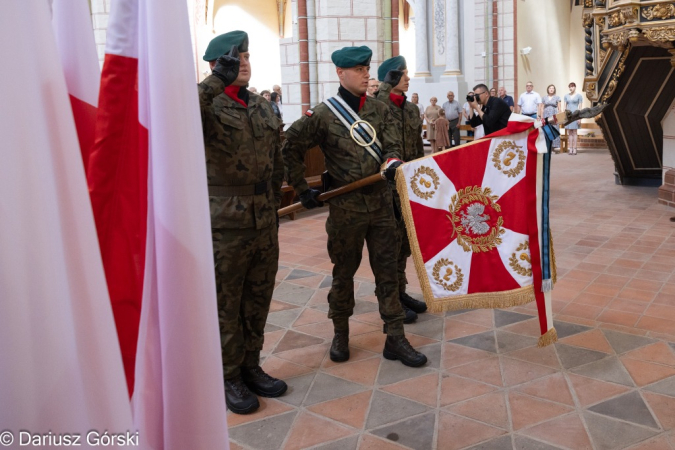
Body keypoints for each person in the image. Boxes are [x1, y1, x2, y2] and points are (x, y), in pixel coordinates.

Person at [282, 46, 428, 368]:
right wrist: (302, 188)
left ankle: (395, 337)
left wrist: (391, 159)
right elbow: (289, 147)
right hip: (345, 211)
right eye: (359, 69)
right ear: (340, 73)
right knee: (343, 274)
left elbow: (392, 144)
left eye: (367, 68)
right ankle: (340, 332)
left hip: (380, 206)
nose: (365, 74)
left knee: (388, 273)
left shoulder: (380, 109)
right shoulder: (322, 114)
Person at [199, 30, 287, 414]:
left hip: (263, 219)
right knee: (225, 304)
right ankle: (227, 375)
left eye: (248, 56)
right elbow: (172, 116)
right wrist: (216, 80)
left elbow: (277, 156)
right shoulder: (207, 104)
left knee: (258, 297)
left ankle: (251, 365)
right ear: (217, 64)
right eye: (236, 57)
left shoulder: (263, 106)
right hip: (224, 225)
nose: (245, 63)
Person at [374, 55, 428, 321]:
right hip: (386, 188)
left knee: (405, 242)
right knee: (390, 245)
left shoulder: (411, 109)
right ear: (390, 78)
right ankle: (392, 298)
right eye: (402, 74)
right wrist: (385, 84)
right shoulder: (378, 105)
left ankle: (401, 291)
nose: (407, 78)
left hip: (408, 185)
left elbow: (417, 148)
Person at [564, 82, 583, 155]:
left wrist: (580, 118)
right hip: (568, 115)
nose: (570, 88)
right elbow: (564, 107)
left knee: (574, 132)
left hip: (575, 114)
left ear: (575, 87)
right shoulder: (566, 96)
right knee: (570, 132)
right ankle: (570, 148)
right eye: (569, 87)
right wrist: (564, 116)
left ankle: (575, 148)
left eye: (572, 86)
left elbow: (580, 108)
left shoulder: (579, 96)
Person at [542, 84, 561, 150]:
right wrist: (541, 116)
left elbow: (559, 108)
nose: (551, 89)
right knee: (547, 129)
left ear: (554, 90)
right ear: (548, 89)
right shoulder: (544, 98)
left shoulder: (557, 97)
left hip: (554, 114)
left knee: (554, 128)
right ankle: (547, 145)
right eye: (550, 88)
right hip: (546, 114)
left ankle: (555, 146)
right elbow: (542, 108)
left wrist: (559, 116)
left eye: (553, 88)